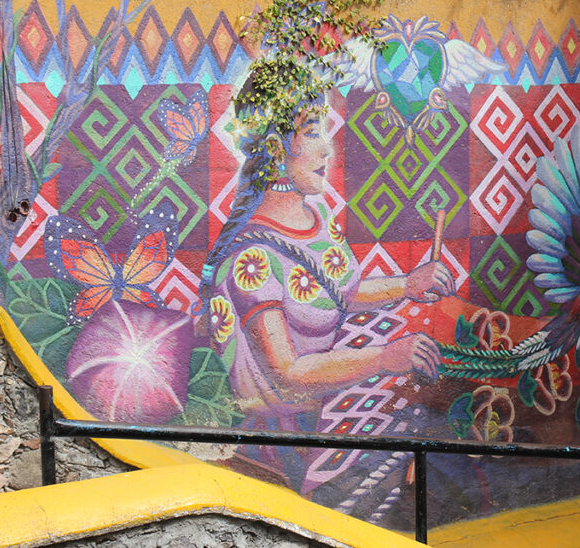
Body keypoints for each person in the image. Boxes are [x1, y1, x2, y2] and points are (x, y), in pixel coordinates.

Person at [195, 75, 455, 488]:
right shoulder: (253, 258)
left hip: (319, 421)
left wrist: (407, 284)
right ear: (277, 150)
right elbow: (289, 371)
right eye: (312, 133)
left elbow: (340, 294)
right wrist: (385, 357)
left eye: (324, 133)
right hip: (269, 450)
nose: (327, 148)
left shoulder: (317, 221)